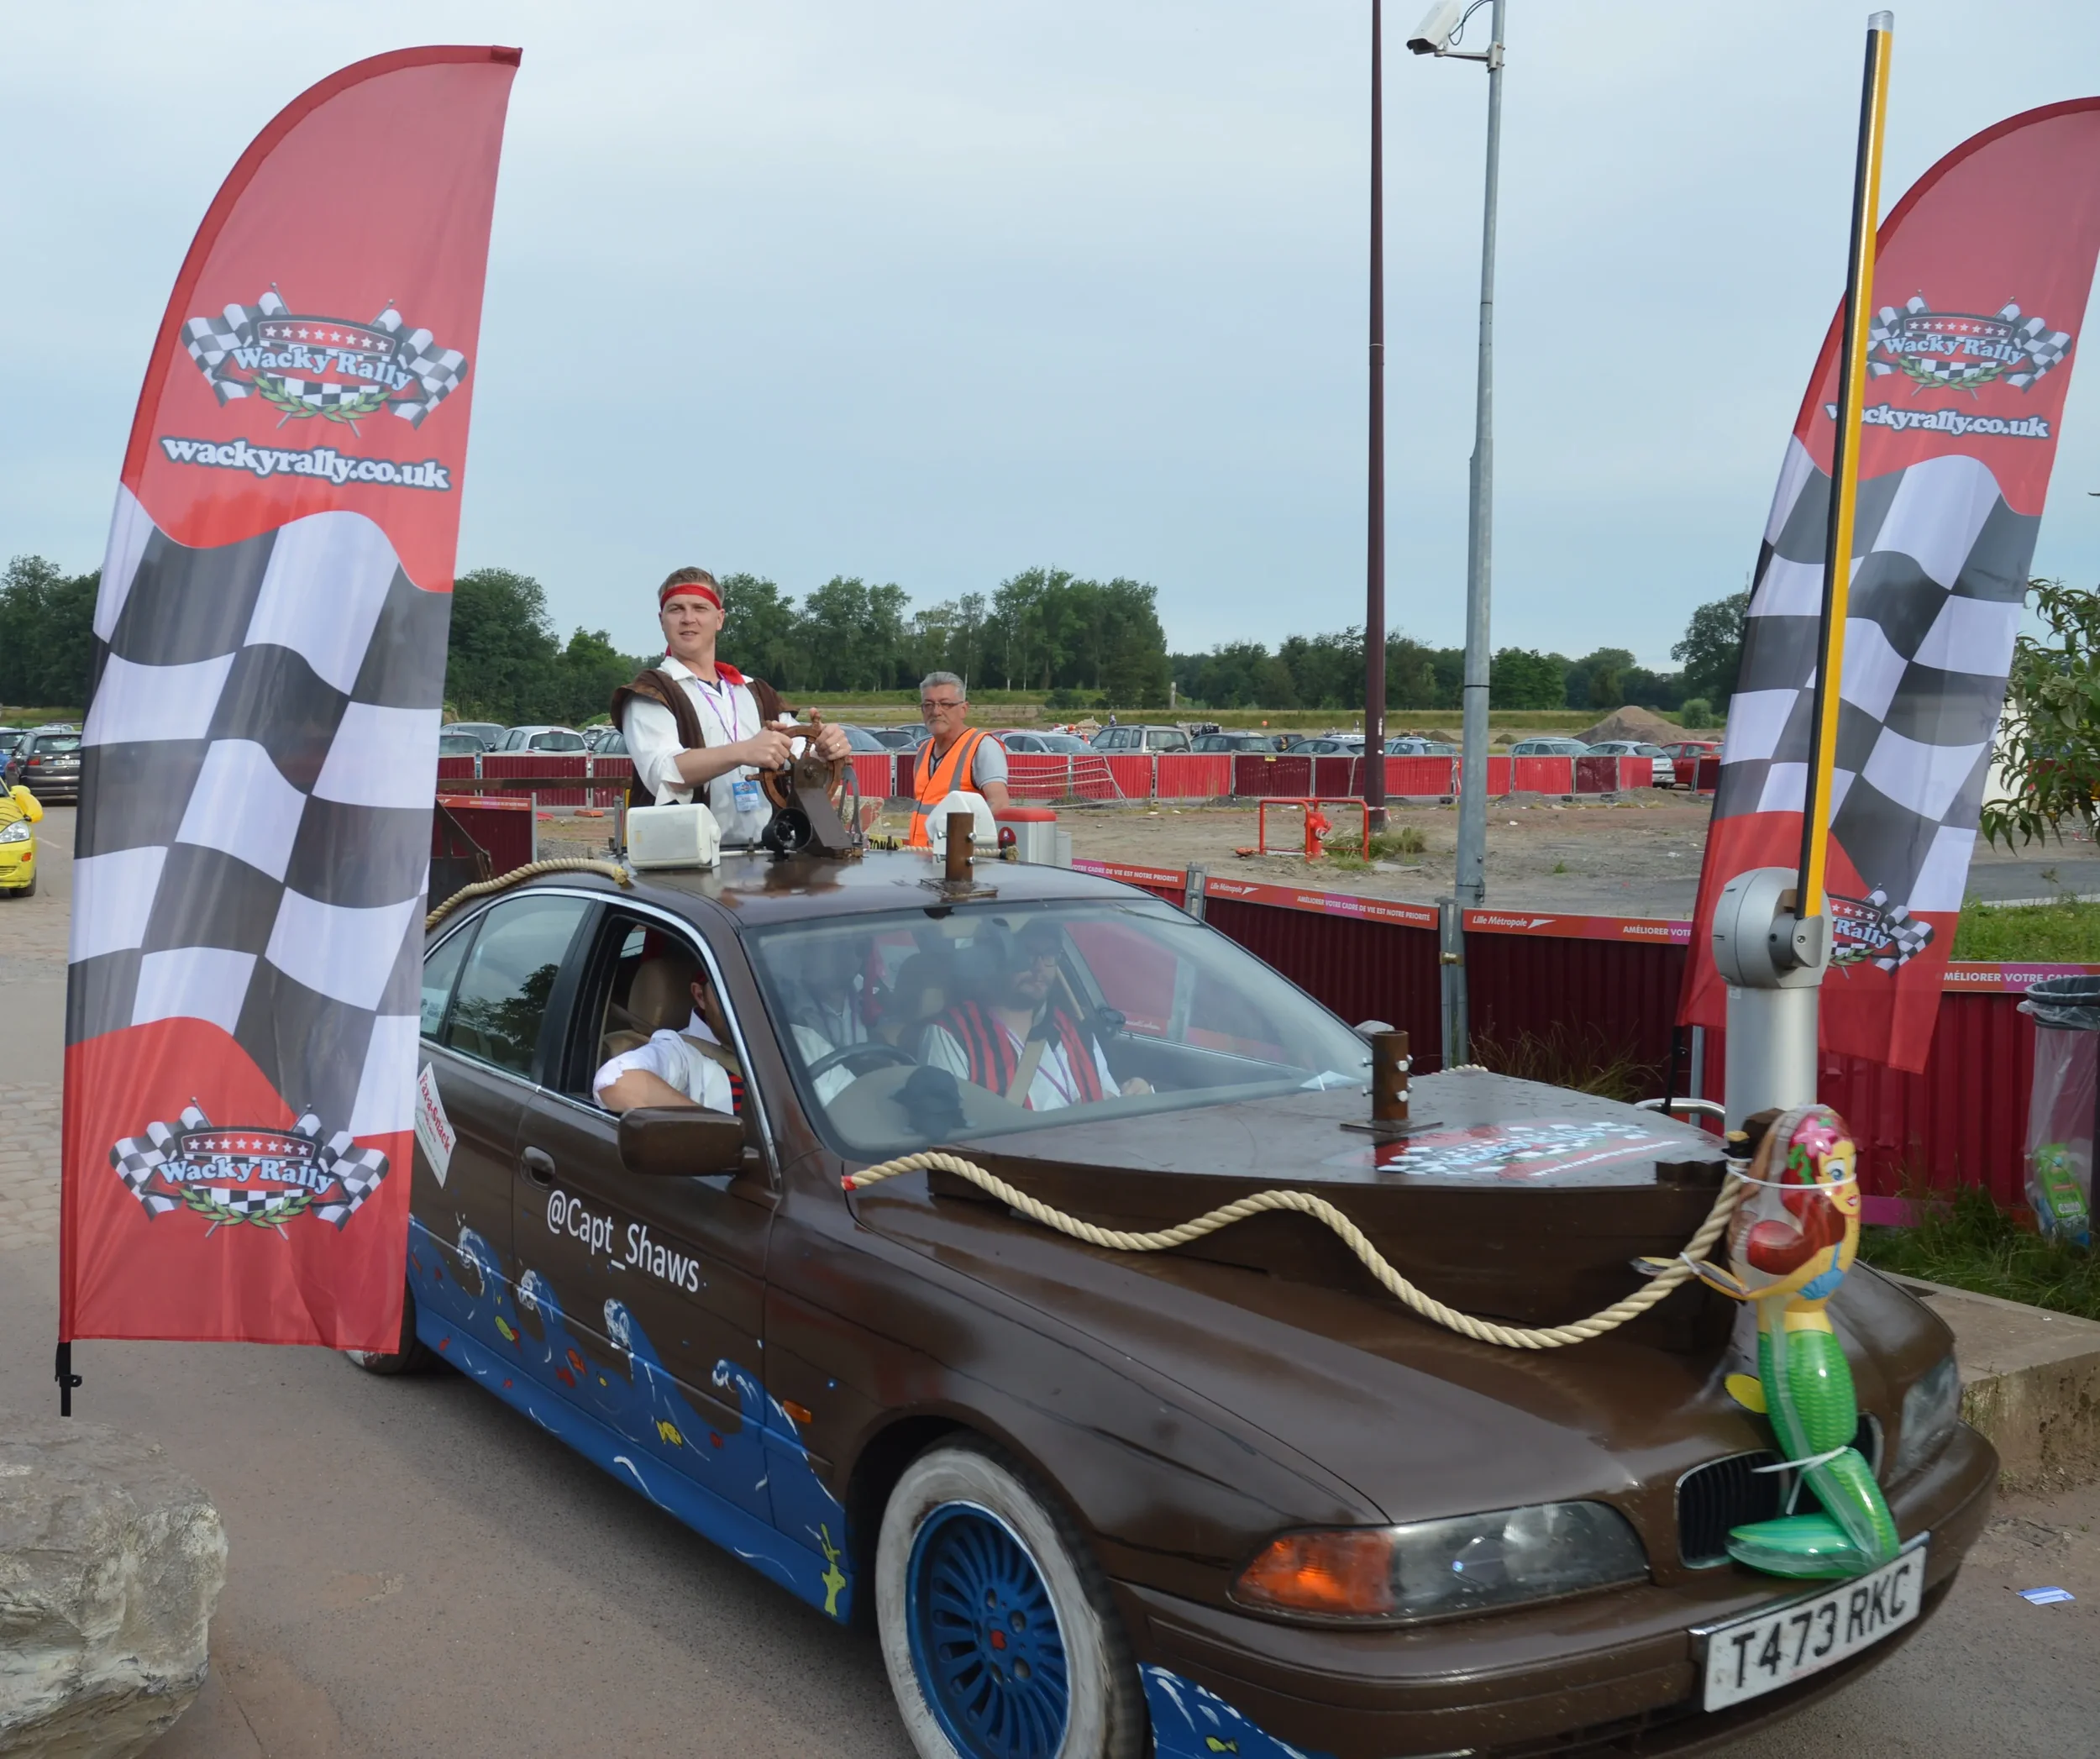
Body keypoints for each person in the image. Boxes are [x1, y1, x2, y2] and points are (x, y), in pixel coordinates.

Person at [612, 567, 852, 848]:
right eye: (676, 609)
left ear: (719, 619)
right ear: (662, 620)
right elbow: (665, 772)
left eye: (700, 608)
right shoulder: (650, 693)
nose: (688, 619)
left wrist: (826, 752)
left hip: (771, 855)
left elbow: (801, 761)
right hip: (685, 863)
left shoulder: (756, 692)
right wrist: (742, 752)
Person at [922, 921, 1150, 1111]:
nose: (1039, 966)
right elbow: (954, 1135)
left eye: (1049, 954)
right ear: (994, 960)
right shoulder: (952, 1035)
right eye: (1027, 953)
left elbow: (1110, 1103)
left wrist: (1137, 1093)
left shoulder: (1077, 1031)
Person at [595, 958, 741, 1116]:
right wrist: (711, 1128)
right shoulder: (680, 1053)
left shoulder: (767, 1041)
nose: (748, 1003)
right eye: (732, 989)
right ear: (700, 996)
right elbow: (614, 1079)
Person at [905, 671, 1011, 848]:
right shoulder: (924, 751)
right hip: (922, 859)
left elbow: (999, 804)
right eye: (928, 705)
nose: (936, 712)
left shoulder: (981, 746)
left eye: (945, 704)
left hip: (960, 863)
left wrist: (958, 841)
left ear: (964, 709)